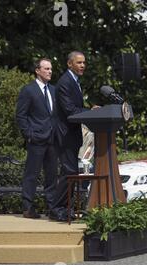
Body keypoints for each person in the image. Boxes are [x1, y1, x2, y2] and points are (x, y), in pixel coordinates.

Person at [51, 51, 95, 221]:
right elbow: (70, 110)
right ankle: (57, 208)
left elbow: (76, 107)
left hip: (73, 135)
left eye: (84, 62)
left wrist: (90, 111)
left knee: (71, 172)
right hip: (65, 135)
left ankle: (63, 208)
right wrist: (89, 112)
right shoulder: (65, 82)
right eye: (79, 62)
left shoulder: (75, 82)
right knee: (69, 172)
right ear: (70, 64)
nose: (82, 65)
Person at [16, 58, 60, 219]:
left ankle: (52, 208)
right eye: (46, 69)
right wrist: (29, 134)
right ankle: (28, 208)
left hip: (52, 140)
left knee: (51, 176)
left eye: (51, 69)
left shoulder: (54, 90)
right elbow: (21, 115)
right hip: (36, 139)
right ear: (38, 70)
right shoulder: (28, 90)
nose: (50, 71)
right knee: (31, 175)